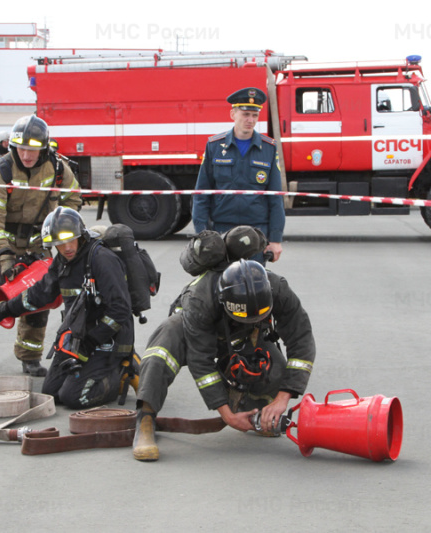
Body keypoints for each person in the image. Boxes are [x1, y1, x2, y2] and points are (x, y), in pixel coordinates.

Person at [132, 259, 315, 461]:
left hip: (246, 335)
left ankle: (252, 410)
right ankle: (145, 420)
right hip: (195, 330)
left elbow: (302, 339)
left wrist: (283, 398)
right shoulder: (200, 299)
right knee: (161, 351)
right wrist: (226, 416)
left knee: (275, 369)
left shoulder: (277, 289)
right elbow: (201, 361)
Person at [0, 207, 135, 409]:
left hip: (107, 340)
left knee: (74, 398)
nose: (66, 247)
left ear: (81, 235)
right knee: (52, 393)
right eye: (59, 243)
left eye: (70, 240)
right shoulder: (61, 262)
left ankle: (120, 372)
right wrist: (2, 310)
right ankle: (95, 370)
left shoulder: (102, 260)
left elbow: (120, 311)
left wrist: (91, 342)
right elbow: (39, 293)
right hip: (78, 337)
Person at [0, 115, 82, 377]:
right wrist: (5, 258)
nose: (27, 155)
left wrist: (58, 228)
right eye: (21, 148)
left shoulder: (58, 169)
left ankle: (30, 358)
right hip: (0, 245)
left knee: (38, 302)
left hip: (38, 245)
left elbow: (73, 198)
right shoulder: (0, 170)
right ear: (12, 146)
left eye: (32, 149)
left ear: (43, 147)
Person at [191, 87, 285, 263]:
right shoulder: (214, 146)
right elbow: (201, 194)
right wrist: (202, 233)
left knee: (254, 287)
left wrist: (275, 239)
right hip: (221, 233)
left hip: (256, 234)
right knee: (220, 287)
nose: (250, 120)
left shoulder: (269, 148)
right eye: (245, 114)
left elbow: (275, 198)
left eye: (254, 115)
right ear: (233, 114)